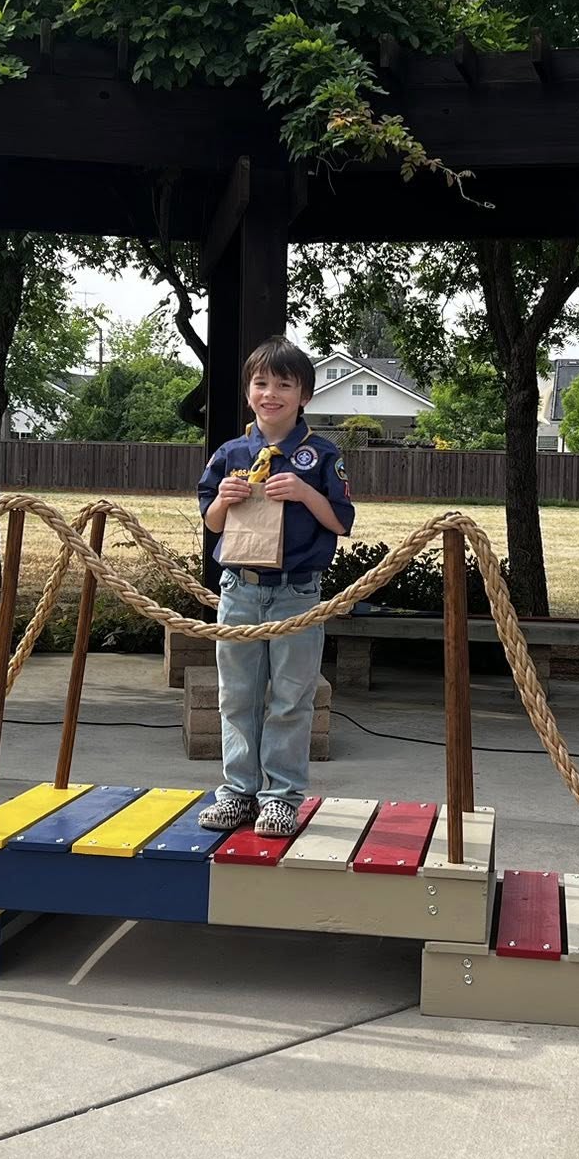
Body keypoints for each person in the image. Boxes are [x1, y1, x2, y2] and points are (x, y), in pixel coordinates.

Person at [194, 337, 355, 836]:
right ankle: (238, 792)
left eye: (284, 385)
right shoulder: (230, 453)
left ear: (304, 395)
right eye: (261, 383)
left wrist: (305, 493)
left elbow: (341, 522)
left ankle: (281, 797)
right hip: (239, 589)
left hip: (297, 593)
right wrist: (223, 499)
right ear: (248, 392)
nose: (271, 394)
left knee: (291, 697)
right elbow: (213, 524)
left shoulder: (322, 454)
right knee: (236, 695)